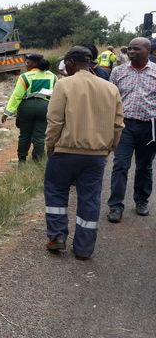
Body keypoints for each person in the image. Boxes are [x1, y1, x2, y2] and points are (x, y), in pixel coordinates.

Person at [44, 46, 123, 260]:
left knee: (56, 192)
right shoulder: (110, 88)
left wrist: (50, 146)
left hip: (65, 152)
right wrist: (108, 148)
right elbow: (118, 125)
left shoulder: (63, 85)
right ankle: (84, 248)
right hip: (97, 155)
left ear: (70, 63)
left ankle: (57, 237)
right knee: (90, 199)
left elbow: (55, 121)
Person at [105, 37, 156, 223]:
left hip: (149, 127)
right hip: (124, 126)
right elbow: (111, 100)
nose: (131, 52)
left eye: (136, 49)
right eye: (130, 49)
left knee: (144, 166)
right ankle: (115, 206)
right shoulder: (118, 72)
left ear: (148, 51)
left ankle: (142, 201)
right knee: (120, 166)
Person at [1, 54, 57, 162]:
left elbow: (17, 96)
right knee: (40, 136)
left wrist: (7, 113)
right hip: (44, 107)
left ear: (35, 63)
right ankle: (38, 160)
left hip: (27, 107)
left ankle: (22, 160)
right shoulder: (52, 76)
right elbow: (56, 94)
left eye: (28, 62)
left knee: (24, 135)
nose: (26, 65)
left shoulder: (25, 76)